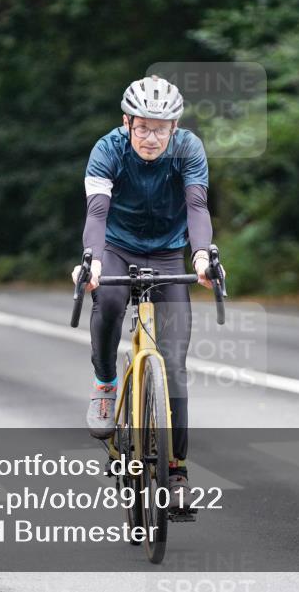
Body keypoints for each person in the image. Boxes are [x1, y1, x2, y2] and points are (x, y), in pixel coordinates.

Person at [71, 74, 223, 504]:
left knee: (174, 364)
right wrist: (93, 260)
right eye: (142, 127)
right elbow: (97, 212)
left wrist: (200, 257)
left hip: (171, 253)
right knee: (111, 300)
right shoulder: (107, 150)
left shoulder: (189, 149)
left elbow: (196, 207)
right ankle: (105, 383)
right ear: (127, 122)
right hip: (117, 249)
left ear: (174, 127)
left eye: (160, 128)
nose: (151, 137)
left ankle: (176, 473)